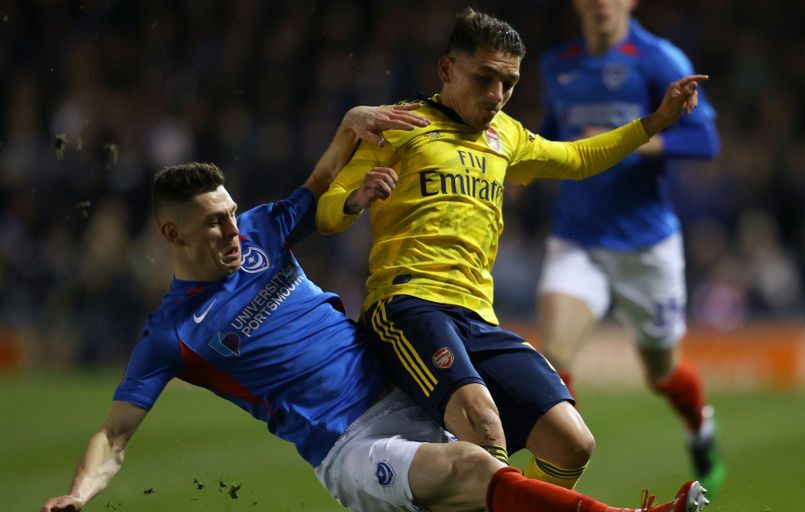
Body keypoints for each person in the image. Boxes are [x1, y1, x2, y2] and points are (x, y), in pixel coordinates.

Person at [40, 105, 711, 512]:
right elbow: (116, 436)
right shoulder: (173, 336)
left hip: (411, 393)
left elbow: (317, 186)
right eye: (214, 224)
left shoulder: (266, 233)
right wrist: (78, 493)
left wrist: (348, 129)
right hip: (351, 447)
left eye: (232, 214)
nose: (232, 230)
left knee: (526, 450)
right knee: (477, 468)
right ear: (172, 235)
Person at [316, 7, 708, 491]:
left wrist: (653, 122)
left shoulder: (508, 136)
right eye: (485, 78)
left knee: (572, 443)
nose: (497, 95)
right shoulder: (397, 124)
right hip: (408, 304)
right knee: (485, 431)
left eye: (509, 82)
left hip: (478, 318)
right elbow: (327, 211)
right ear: (447, 70)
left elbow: (578, 158)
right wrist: (356, 198)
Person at [534, 0, 725, 495]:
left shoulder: (660, 60)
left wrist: (628, 142)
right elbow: (551, 133)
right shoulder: (557, 66)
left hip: (645, 242)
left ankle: (699, 426)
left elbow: (704, 138)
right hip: (578, 236)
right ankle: (555, 484)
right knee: (555, 357)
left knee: (662, 372)